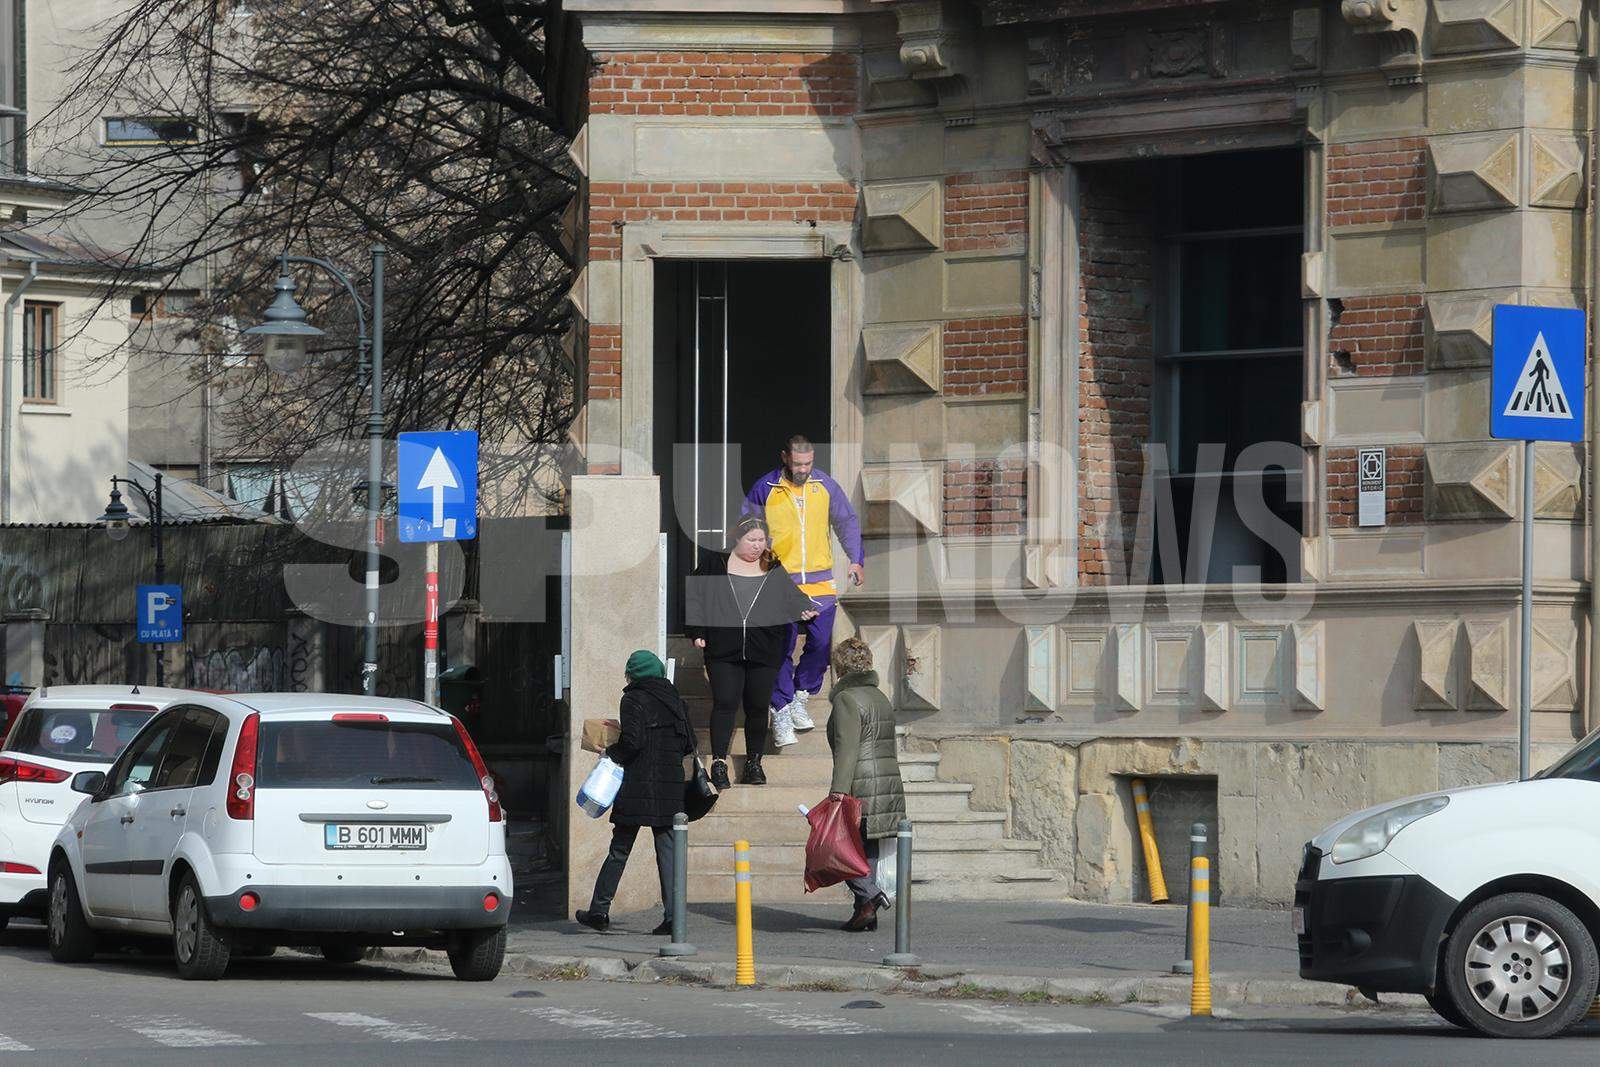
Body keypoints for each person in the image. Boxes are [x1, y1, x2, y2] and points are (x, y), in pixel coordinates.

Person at [743, 434, 865, 747]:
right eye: (798, 464)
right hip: (780, 582)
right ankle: (781, 710)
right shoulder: (765, 488)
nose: (803, 469)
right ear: (785, 457)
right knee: (780, 647)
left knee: (822, 643)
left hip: (820, 582)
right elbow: (748, 531)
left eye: (808, 463)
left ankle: (801, 695)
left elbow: (847, 522)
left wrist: (856, 559)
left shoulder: (824, 485)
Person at [684, 516, 820, 789]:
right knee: (725, 702)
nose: (758, 546)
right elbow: (695, 596)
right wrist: (697, 631)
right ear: (737, 539)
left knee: (758, 707)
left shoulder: (772, 566)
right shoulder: (715, 563)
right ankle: (719, 763)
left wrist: (805, 609)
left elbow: (792, 597)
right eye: (752, 540)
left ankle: (754, 762)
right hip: (723, 647)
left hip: (764, 647)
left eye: (762, 540)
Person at [576, 649, 693, 936]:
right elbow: (689, 744)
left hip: (638, 785)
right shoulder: (675, 700)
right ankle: (672, 917)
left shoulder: (633, 698)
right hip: (669, 789)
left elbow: (633, 743)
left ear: (634, 673)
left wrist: (609, 751)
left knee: (619, 850)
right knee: (667, 852)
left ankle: (599, 911)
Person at [825, 635, 905, 933]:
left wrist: (838, 792)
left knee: (837, 847)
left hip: (860, 782)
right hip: (885, 781)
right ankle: (864, 910)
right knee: (866, 847)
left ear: (840, 667)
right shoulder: (879, 697)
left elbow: (847, 748)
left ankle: (871, 895)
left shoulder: (847, 698)